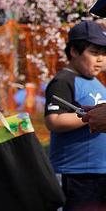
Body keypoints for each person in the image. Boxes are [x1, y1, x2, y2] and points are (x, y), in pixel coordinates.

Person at [44, 20, 106, 211]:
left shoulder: (96, 81)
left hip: (99, 171)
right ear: (74, 51)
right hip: (75, 173)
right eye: (94, 53)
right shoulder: (64, 80)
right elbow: (54, 120)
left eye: (104, 54)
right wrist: (90, 116)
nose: (100, 59)